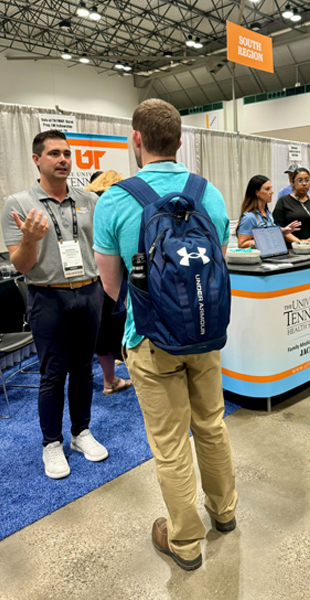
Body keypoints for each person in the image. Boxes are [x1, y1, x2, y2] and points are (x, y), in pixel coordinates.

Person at [93, 99, 238, 572]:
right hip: (205, 334)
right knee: (212, 427)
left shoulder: (116, 200)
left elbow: (112, 286)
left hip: (152, 338)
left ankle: (186, 543)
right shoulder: (208, 193)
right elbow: (217, 262)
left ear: (135, 140)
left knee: (171, 444)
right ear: (180, 141)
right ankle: (225, 512)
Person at [1, 130, 107, 480]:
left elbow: (99, 248)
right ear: (37, 160)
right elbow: (21, 265)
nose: (63, 159)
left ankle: (81, 433)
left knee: (83, 369)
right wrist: (30, 240)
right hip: (48, 295)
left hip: (89, 291)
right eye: (54, 154)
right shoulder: (19, 203)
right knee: (52, 372)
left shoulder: (88, 200)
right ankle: (52, 443)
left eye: (66, 153)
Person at [85, 171, 133, 395]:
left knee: (99, 329)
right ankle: (114, 374)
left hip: (85, 278)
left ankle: (109, 378)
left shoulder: (84, 203)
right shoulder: (114, 204)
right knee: (116, 319)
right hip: (110, 274)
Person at [236, 175, 301, 248]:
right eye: (267, 189)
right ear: (256, 192)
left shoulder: (268, 214)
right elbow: (241, 245)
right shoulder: (249, 217)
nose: (272, 192)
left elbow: (269, 234)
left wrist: (282, 231)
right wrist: (266, 239)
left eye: (271, 188)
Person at [273, 167, 310, 246]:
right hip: (292, 249)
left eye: (307, 180)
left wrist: (308, 242)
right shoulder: (283, 201)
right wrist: (299, 243)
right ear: (293, 182)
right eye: (300, 180)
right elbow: (279, 228)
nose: (304, 183)